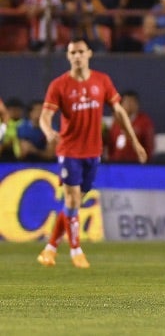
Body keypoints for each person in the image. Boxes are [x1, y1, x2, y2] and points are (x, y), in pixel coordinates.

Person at [37, 38, 148, 269]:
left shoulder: (102, 81)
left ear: (89, 53)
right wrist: (49, 132)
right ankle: (76, 250)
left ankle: (49, 249)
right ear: (68, 56)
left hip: (93, 152)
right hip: (69, 150)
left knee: (73, 204)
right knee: (72, 199)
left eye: (80, 51)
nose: (77, 56)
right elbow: (45, 116)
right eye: (72, 52)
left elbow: (119, 112)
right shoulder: (59, 85)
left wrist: (135, 142)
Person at [106, 90, 155, 163]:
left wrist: (146, 161)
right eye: (127, 102)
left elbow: (149, 145)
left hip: (135, 164)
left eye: (132, 102)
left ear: (137, 104)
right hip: (116, 163)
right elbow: (110, 144)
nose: (129, 105)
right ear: (121, 104)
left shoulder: (144, 122)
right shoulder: (116, 121)